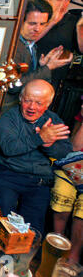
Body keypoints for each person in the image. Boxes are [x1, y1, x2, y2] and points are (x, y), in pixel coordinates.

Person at [0, 79, 73, 236]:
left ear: (47, 104)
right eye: (28, 101)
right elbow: (9, 148)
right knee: (2, 227)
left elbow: (64, 153)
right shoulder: (9, 118)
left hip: (38, 181)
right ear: (21, 99)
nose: (32, 107)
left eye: (39, 103)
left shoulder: (53, 120)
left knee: (33, 232)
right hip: (8, 176)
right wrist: (40, 138)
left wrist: (49, 145)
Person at [2, 0, 73, 113]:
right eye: (32, 23)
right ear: (20, 20)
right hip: (6, 112)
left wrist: (42, 66)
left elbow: (27, 78)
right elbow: (14, 86)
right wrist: (48, 68)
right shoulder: (13, 46)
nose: (38, 29)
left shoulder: (29, 43)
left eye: (42, 24)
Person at [35, 0, 83, 128]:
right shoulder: (38, 16)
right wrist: (51, 22)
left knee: (43, 119)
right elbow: (27, 40)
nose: (63, 4)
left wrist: (80, 27)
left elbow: (81, 49)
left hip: (55, 79)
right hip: (33, 72)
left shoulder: (72, 20)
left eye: (67, 0)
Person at [50, 103, 83, 263]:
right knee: (62, 190)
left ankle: (73, 256)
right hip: (74, 165)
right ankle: (58, 244)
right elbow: (75, 147)